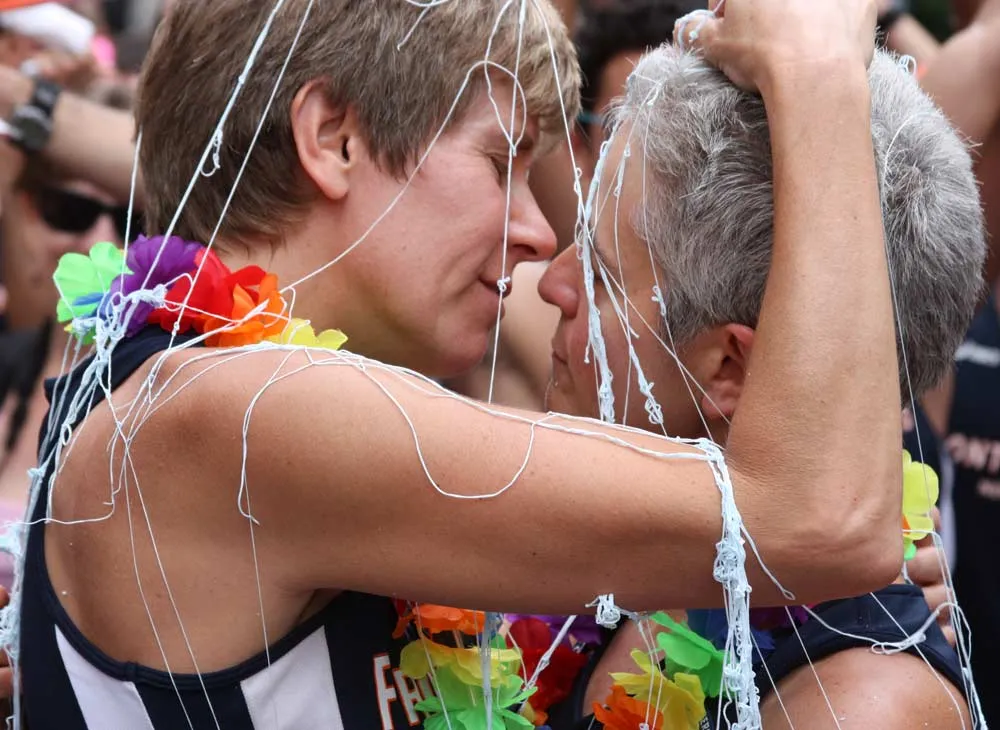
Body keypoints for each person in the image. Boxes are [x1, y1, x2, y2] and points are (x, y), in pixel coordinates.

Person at [14, 0, 920, 727]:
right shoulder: (247, 412)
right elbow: (822, 524)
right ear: (332, 138)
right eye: (501, 161)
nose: (536, 233)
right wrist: (818, 73)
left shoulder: (197, 385)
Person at [532, 42, 982, 729]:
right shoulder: (636, 550)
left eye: (601, 273)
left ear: (729, 369)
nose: (550, 282)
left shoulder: (857, 709)